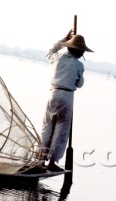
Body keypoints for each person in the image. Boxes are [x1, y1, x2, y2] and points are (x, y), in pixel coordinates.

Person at [41, 30, 93, 172]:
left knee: (48, 126)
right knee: (61, 130)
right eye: (82, 51)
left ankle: (40, 159)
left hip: (53, 94)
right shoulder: (78, 66)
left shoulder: (58, 58)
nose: (83, 54)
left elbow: (50, 52)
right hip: (67, 96)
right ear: (78, 52)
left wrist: (63, 39)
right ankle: (52, 162)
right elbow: (79, 84)